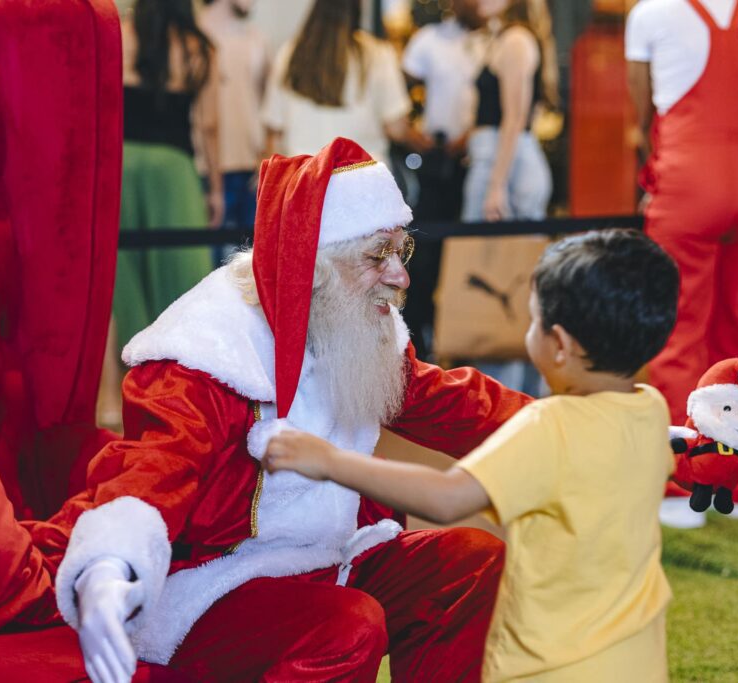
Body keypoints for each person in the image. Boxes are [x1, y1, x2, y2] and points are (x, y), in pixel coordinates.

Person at [28, 138, 533, 683]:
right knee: (348, 625)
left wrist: (570, 430)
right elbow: (150, 470)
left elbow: (455, 402)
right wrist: (110, 566)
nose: (401, 275)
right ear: (315, 265)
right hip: (218, 585)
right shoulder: (207, 349)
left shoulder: (352, 326)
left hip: (328, 559)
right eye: (377, 256)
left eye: (400, 251)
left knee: (471, 560)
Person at [266, 229, 680, 683]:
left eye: (533, 319)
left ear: (559, 345)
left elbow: (446, 498)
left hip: (552, 663)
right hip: (636, 656)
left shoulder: (548, 428)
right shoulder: (651, 409)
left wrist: (329, 460)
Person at [626, 0, 738, 527]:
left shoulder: (650, 13)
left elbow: (640, 114)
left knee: (680, 333)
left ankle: (682, 488)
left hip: (689, 177)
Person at [113, 0, 223, 351]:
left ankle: (130, 375)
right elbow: (209, 126)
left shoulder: (120, 35)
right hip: (173, 170)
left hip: (121, 165)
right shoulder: (198, 47)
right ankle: (173, 376)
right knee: (184, 280)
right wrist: (216, 190)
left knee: (125, 279)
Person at [401, 0, 487, 356]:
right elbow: (401, 86)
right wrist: (414, 131)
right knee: (425, 255)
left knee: (472, 254)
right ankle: (422, 343)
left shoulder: (494, 43)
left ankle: (471, 339)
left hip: (477, 159)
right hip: (436, 161)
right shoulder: (427, 41)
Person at [261, 0, 425, 165]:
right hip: (363, 178)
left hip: (304, 178)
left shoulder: (290, 53)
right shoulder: (377, 55)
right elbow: (397, 129)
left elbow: (274, 129)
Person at [462, 0, 559, 223]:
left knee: (478, 252)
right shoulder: (506, 38)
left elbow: (515, 117)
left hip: (505, 164)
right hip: (498, 159)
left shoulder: (516, 40)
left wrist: (497, 185)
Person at [198, 0, 268, 231]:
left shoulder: (256, 39)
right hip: (206, 169)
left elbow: (267, 107)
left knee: (250, 261)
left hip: (252, 169)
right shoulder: (195, 36)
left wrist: (266, 158)